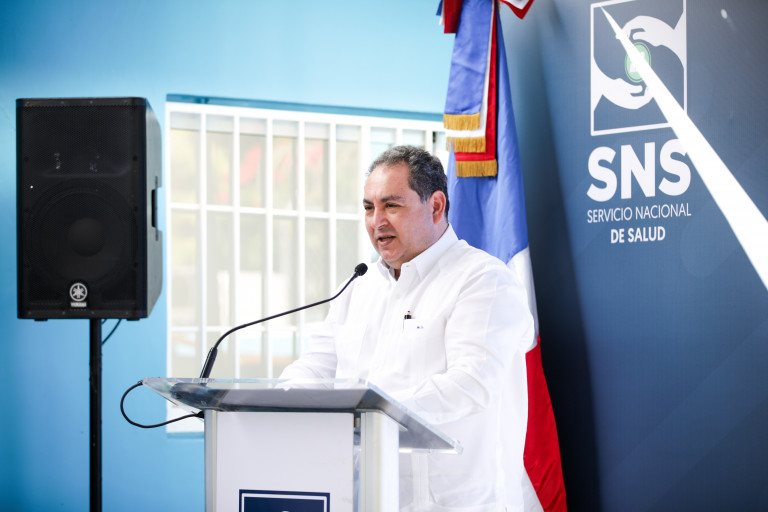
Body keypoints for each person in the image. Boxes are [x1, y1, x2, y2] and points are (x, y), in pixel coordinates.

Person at [280, 145, 534, 512]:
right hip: (363, 500)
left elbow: (471, 383)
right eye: (369, 207)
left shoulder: (483, 279)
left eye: (391, 205)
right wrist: (282, 401)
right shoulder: (359, 286)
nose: (377, 221)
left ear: (436, 206)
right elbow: (315, 366)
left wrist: (367, 415)